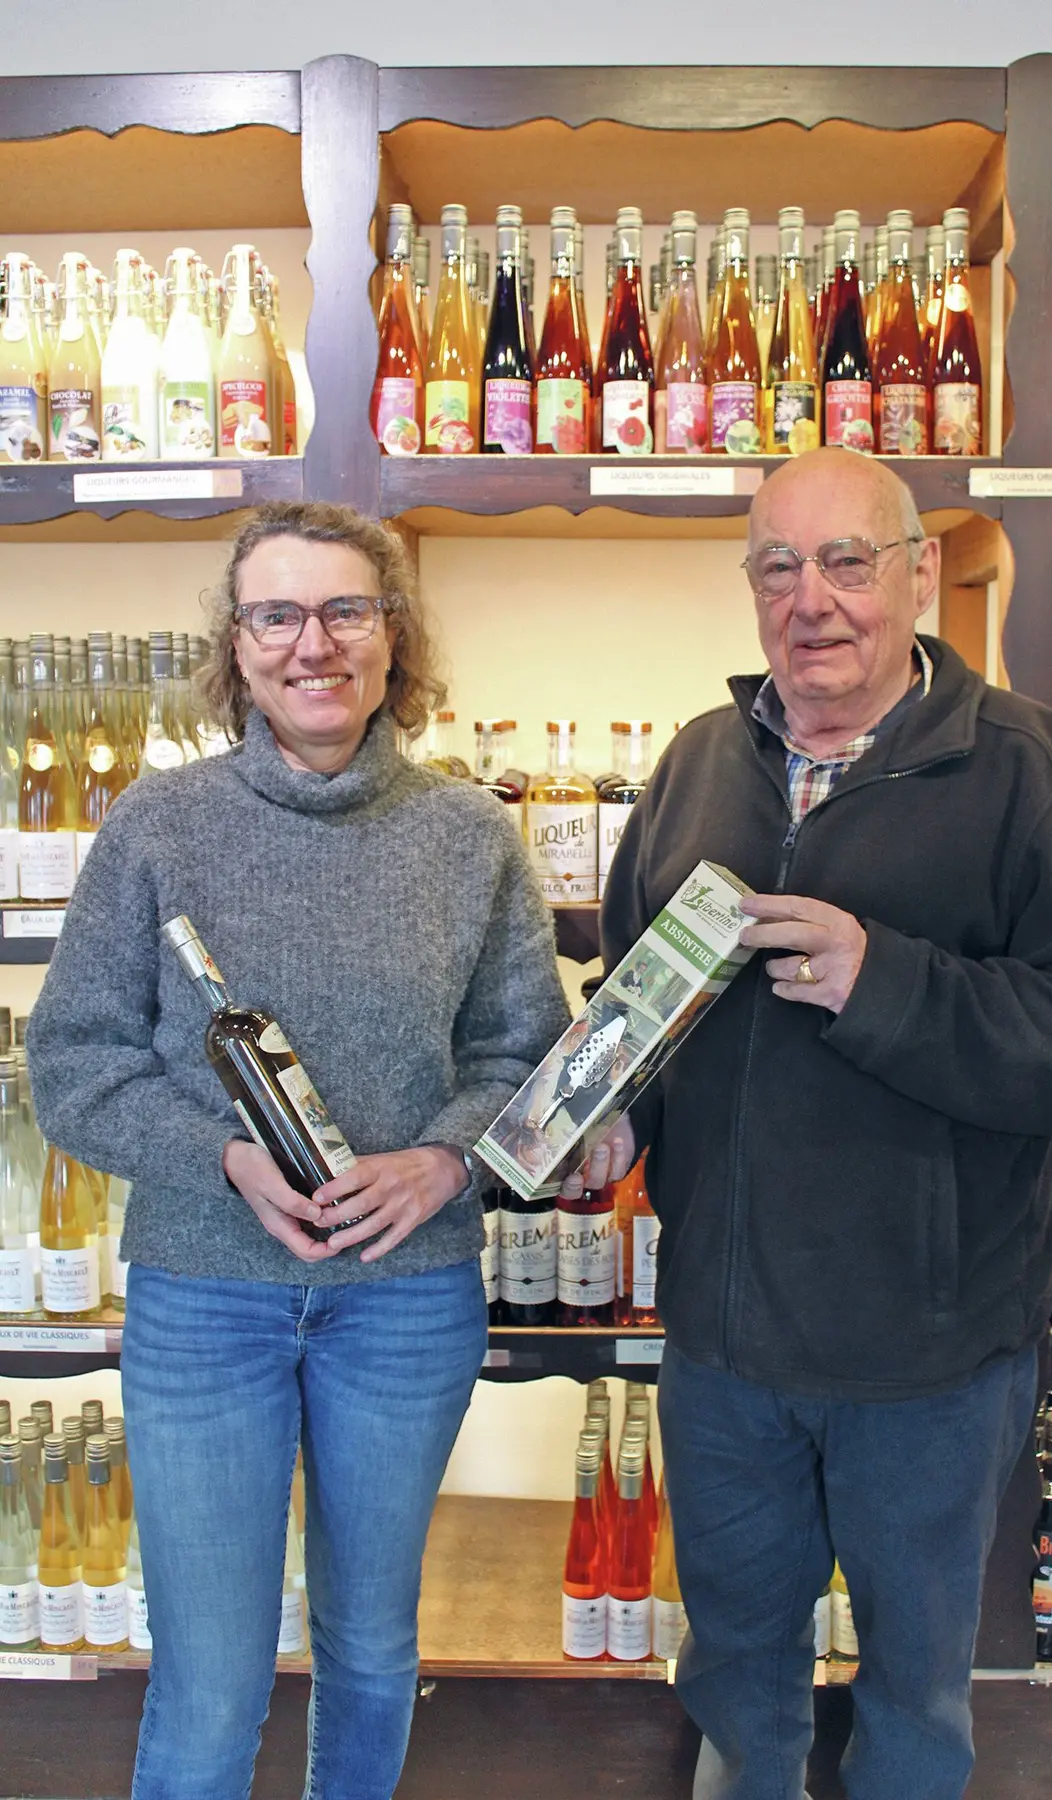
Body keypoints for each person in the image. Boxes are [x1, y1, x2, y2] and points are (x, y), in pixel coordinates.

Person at [594, 449, 1052, 1800]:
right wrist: (609, 1118)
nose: (813, 600)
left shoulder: (1033, 772)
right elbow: (631, 995)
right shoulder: (700, 762)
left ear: (919, 573)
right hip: (728, 1342)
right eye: (778, 567)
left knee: (917, 1692)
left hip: (932, 1356)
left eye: (849, 562)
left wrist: (890, 983)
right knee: (737, 1669)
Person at [27, 501, 569, 1800]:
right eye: (277, 613)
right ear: (236, 644)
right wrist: (224, 1158)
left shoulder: (466, 838)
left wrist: (446, 1159)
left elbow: (528, 1066)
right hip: (205, 1303)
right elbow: (73, 1066)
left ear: (394, 636)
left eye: (345, 610)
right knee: (210, 1682)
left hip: (404, 1304)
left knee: (373, 1649)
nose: (311, 642)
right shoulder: (159, 829)